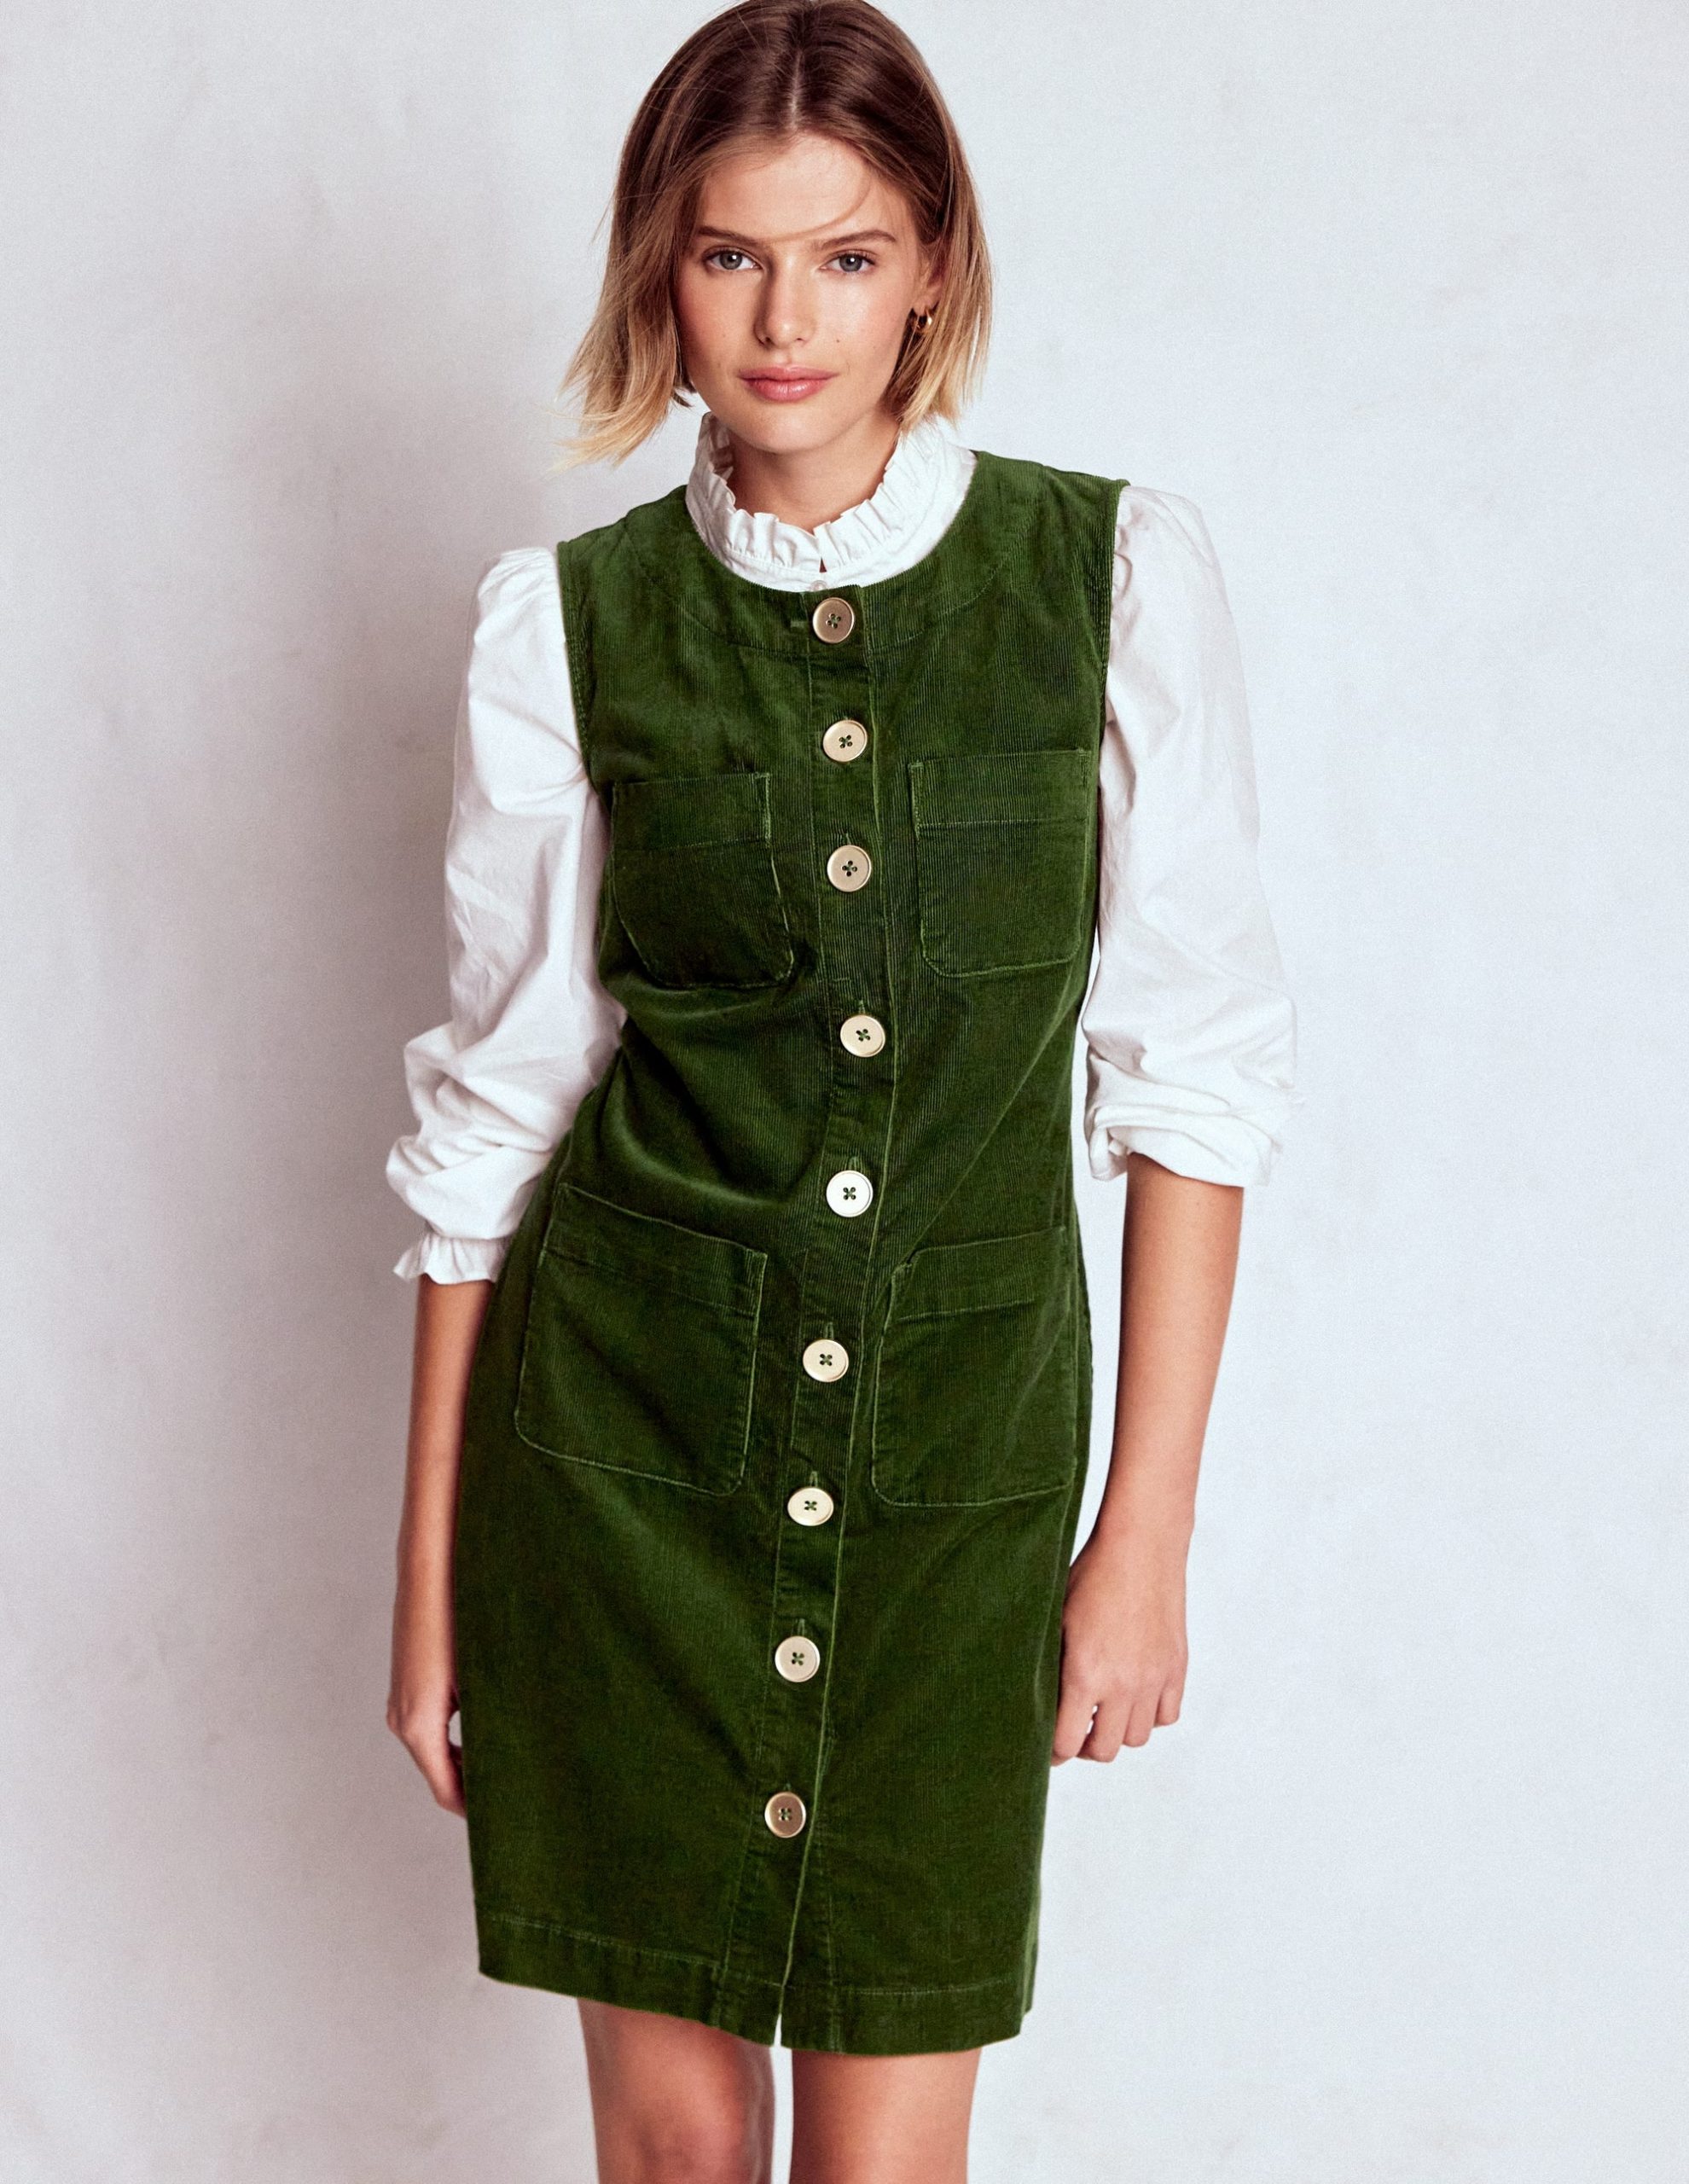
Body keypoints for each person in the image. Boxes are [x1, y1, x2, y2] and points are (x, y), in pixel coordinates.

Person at [383, 2, 1297, 2175]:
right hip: (618, 1474)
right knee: (677, 2149)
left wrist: (1144, 1532)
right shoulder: (564, 626)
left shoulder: (1111, 579)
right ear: (660, 270)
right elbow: (499, 1121)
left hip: (956, 1488)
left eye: (848, 256)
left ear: (933, 268)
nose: (787, 322)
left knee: (887, 2154)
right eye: (731, 256)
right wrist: (430, 1584)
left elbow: (1192, 1081)